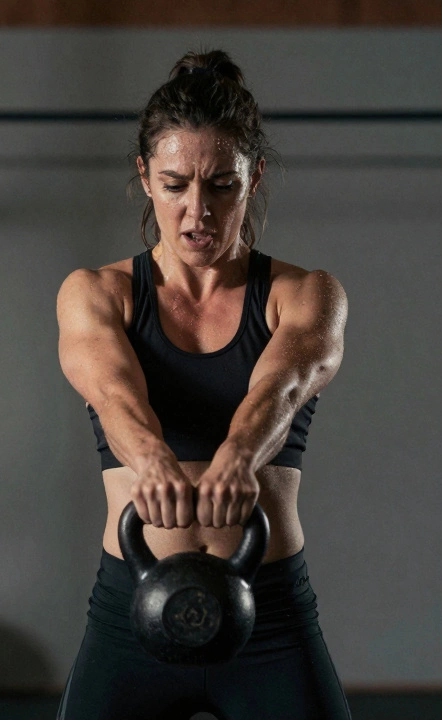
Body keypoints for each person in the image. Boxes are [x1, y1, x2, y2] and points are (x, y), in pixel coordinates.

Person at [55, 50, 350, 720]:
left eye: (221, 185)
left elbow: (282, 387)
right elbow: (113, 393)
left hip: (268, 614)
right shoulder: (96, 293)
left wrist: (239, 456)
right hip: (132, 608)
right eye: (174, 184)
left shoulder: (307, 294)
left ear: (254, 177)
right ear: (144, 177)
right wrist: (152, 459)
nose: (198, 212)